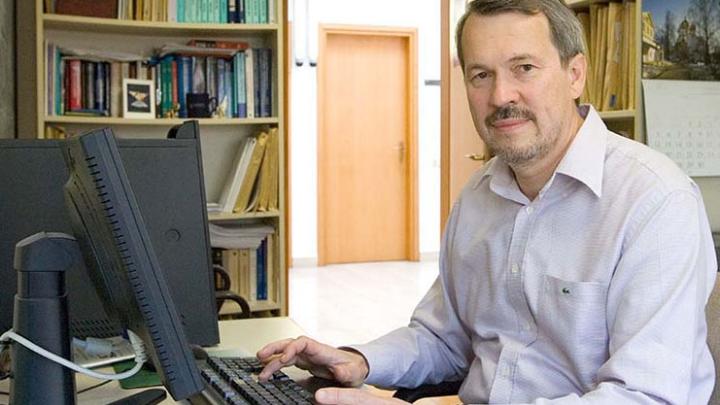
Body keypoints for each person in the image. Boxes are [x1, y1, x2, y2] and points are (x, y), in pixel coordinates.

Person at [258, 0, 718, 403]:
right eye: (482, 75)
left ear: (575, 74)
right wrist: (358, 361)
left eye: (524, 68)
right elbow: (443, 339)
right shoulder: (480, 195)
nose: (501, 96)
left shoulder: (655, 202)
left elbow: (647, 396)